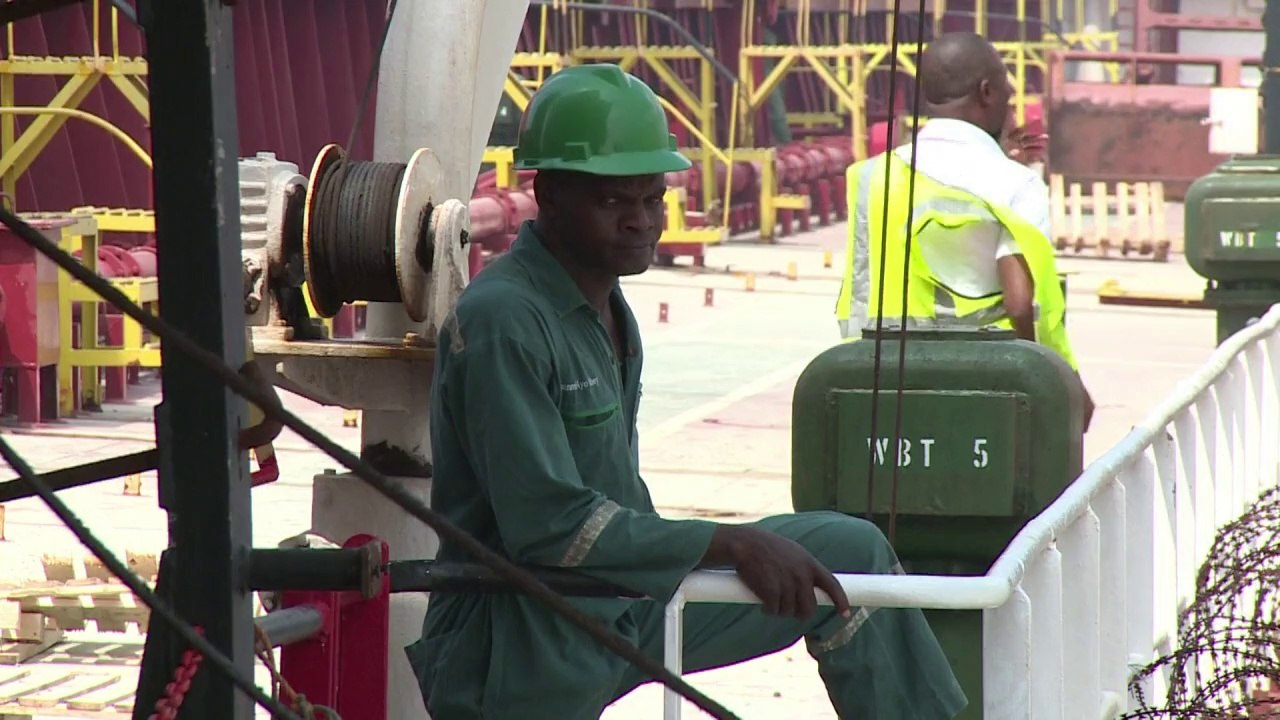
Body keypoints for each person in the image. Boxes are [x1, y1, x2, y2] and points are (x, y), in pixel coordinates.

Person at [406, 63, 967, 720]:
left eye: (653, 199)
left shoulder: (604, 308)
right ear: (549, 195)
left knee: (851, 556)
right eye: (615, 201)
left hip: (614, 603)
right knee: (786, 557)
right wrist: (727, 544)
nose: (642, 222)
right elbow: (549, 527)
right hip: (519, 638)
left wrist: (708, 551)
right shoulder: (505, 318)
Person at [835, 31, 1094, 429]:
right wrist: (1066, 386)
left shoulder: (873, 176)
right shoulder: (1016, 185)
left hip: (879, 383)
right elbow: (1021, 303)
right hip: (984, 389)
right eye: (1007, 94)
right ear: (987, 92)